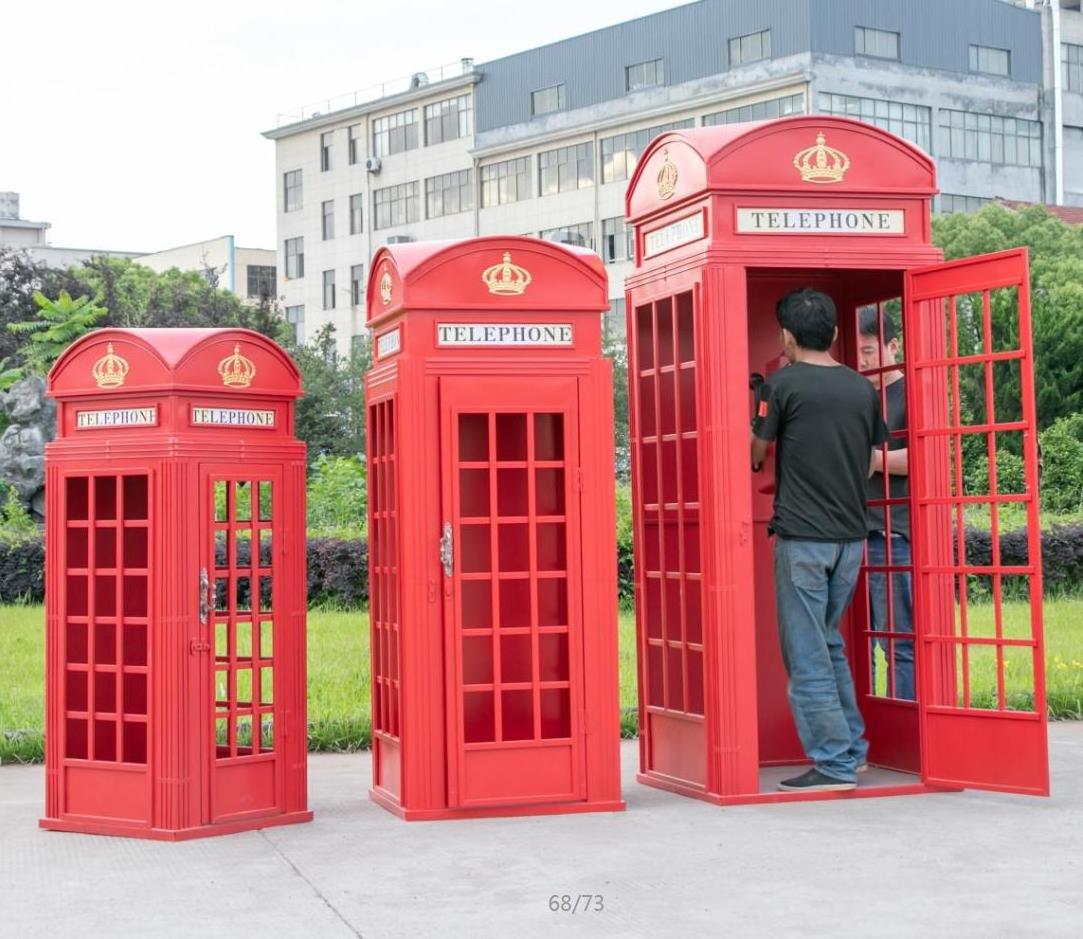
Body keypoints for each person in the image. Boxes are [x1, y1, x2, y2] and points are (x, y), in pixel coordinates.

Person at [751, 288, 889, 792]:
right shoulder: (862, 389)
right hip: (851, 539)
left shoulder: (782, 385)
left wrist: (755, 415)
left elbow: (756, 455)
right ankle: (851, 751)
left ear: (785, 337)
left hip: (803, 539)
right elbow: (872, 454)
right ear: (834, 334)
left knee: (807, 651)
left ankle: (831, 763)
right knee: (829, 644)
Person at [857, 308, 914, 701]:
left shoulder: (910, 392)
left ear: (893, 346)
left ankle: (904, 730)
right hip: (849, 533)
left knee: (897, 644)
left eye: (869, 350)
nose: (861, 361)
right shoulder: (857, 395)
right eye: (855, 352)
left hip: (890, 533)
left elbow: (921, 458)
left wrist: (870, 459)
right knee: (855, 645)